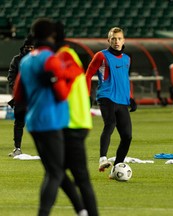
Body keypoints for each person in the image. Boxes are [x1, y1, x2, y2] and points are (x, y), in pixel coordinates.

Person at [14, 18, 85, 216]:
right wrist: (66, 78)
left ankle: (81, 210)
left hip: (34, 122)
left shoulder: (27, 60)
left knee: (55, 170)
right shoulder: (51, 59)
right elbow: (62, 94)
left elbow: (18, 94)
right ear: (51, 35)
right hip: (52, 121)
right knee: (55, 172)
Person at [54, 21, 99, 216]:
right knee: (56, 172)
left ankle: (85, 211)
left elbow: (62, 91)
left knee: (75, 176)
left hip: (73, 123)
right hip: (74, 122)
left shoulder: (64, 57)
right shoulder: (67, 55)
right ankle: (82, 211)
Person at [86, 27, 137, 178]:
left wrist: (131, 97)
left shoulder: (127, 58)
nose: (116, 41)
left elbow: (124, 79)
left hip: (122, 100)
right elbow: (88, 75)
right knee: (110, 124)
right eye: (113, 39)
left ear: (124, 40)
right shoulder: (101, 56)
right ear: (109, 40)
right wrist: (86, 95)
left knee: (127, 136)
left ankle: (115, 170)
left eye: (119, 38)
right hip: (106, 96)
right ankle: (102, 158)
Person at [7, 34, 34, 157]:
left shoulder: (38, 60)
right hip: (22, 97)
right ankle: (17, 147)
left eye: (32, 47)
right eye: (28, 47)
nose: (29, 49)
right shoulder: (17, 60)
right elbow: (11, 77)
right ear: (23, 47)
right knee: (19, 123)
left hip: (35, 96)